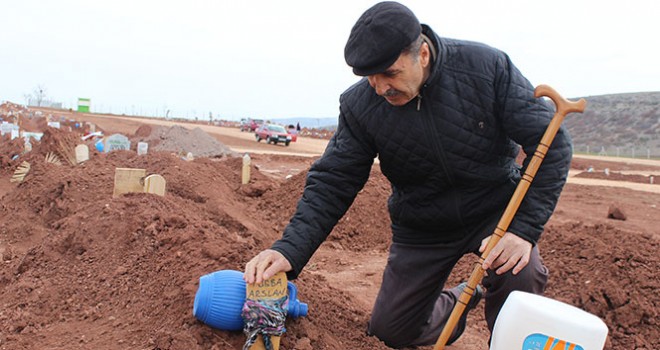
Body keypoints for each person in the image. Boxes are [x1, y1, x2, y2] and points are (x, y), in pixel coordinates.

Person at [244, 1, 572, 348]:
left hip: (494, 213)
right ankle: (465, 294)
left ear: (423, 54)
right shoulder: (360, 106)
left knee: (521, 271)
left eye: (389, 73)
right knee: (393, 331)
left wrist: (522, 231)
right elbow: (333, 180)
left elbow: (553, 145)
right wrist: (290, 250)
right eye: (369, 77)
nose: (380, 87)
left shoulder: (486, 68)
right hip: (423, 224)